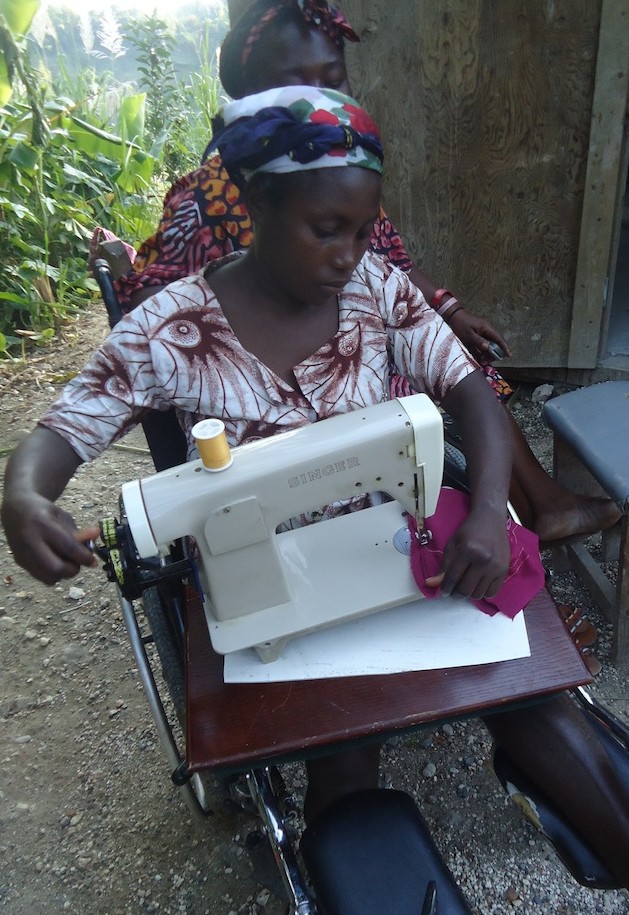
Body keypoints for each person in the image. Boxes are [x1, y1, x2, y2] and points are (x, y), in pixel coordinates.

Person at [3, 87, 629, 888]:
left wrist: (483, 510)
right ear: (258, 202)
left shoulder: (373, 288)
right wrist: (23, 499)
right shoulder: (168, 330)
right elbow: (54, 440)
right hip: (265, 577)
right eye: (326, 229)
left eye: (364, 230)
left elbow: (467, 387)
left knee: (536, 696)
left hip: (400, 542)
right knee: (342, 758)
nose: (349, 253)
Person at [106, 0, 620, 549]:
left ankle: (532, 504)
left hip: (366, 352)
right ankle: (536, 503)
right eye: (293, 82)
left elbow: (387, 262)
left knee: (460, 369)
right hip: (288, 400)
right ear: (248, 94)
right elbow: (153, 302)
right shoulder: (206, 197)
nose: (319, 96)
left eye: (332, 77)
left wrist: (448, 310)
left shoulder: (338, 167)